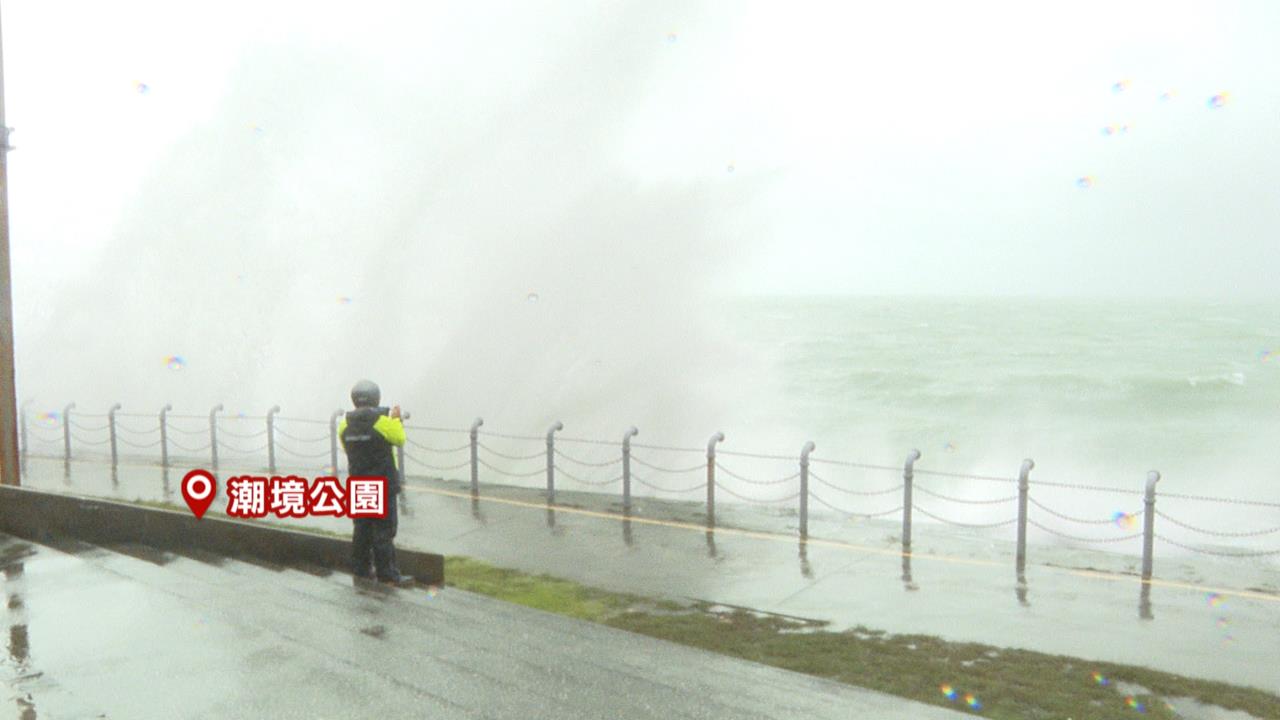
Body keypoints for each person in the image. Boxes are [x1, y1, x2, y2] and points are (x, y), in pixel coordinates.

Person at [338, 379, 412, 586]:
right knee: (383, 532)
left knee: (361, 529)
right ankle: (387, 575)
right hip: (382, 484)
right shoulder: (383, 422)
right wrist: (396, 419)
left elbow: (347, 448)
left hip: (358, 483)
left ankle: (361, 570)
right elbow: (399, 439)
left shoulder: (344, 425)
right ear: (375, 397)